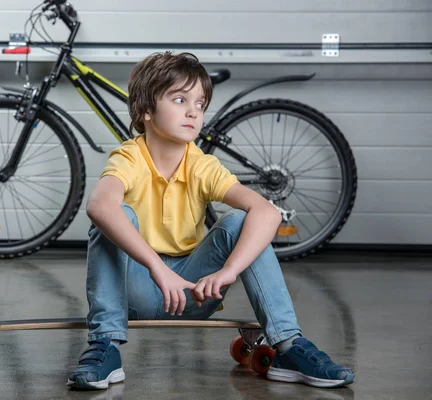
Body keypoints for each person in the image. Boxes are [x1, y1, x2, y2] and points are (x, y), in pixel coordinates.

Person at [67, 51, 355, 390]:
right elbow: (99, 205)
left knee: (242, 222)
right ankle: (106, 347)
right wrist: (158, 269)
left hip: (195, 294)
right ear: (145, 110)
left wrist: (228, 272)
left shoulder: (202, 165)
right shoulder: (130, 157)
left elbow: (267, 212)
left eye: (200, 104)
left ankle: (289, 347)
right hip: (138, 291)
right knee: (117, 214)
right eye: (179, 99)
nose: (193, 111)